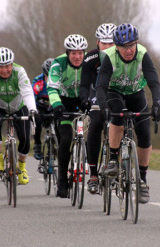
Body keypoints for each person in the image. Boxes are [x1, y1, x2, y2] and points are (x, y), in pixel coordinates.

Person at [96, 23, 160, 204]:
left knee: (145, 134)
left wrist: (157, 103)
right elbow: (101, 86)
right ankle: (113, 160)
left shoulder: (142, 54)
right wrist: (103, 106)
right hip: (114, 92)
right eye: (124, 47)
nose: (128, 50)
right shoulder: (109, 57)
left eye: (131, 45)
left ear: (137, 43)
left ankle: (142, 180)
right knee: (117, 115)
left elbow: (154, 82)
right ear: (116, 47)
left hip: (135, 92)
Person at [0, 47, 37, 185]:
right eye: (1, 67)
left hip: (19, 105)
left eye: (7, 66)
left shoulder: (20, 71)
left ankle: (22, 168)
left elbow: (27, 92)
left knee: (24, 137)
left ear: (12, 64)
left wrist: (32, 110)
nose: (5, 70)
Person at [47, 34, 88, 198]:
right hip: (64, 102)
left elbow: (96, 83)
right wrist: (57, 105)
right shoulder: (58, 63)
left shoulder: (89, 62)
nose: (77, 56)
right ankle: (62, 180)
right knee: (65, 139)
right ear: (67, 53)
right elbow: (52, 87)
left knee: (91, 132)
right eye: (73, 53)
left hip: (83, 99)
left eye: (80, 53)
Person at [79, 23, 116, 194]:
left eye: (111, 43)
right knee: (94, 126)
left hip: (116, 94)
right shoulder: (90, 59)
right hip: (96, 96)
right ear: (97, 43)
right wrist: (84, 100)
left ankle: (119, 161)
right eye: (104, 43)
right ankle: (93, 175)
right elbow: (85, 84)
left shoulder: (122, 56)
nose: (107, 47)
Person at [32, 58, 54, 161]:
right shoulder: (38, 82)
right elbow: (32, 97)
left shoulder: (61, 80)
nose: (50, 80)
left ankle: (53, 148)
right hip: (40, 106)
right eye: (47, 77)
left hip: (53, 105)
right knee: (37, 121)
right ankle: (37, 145)